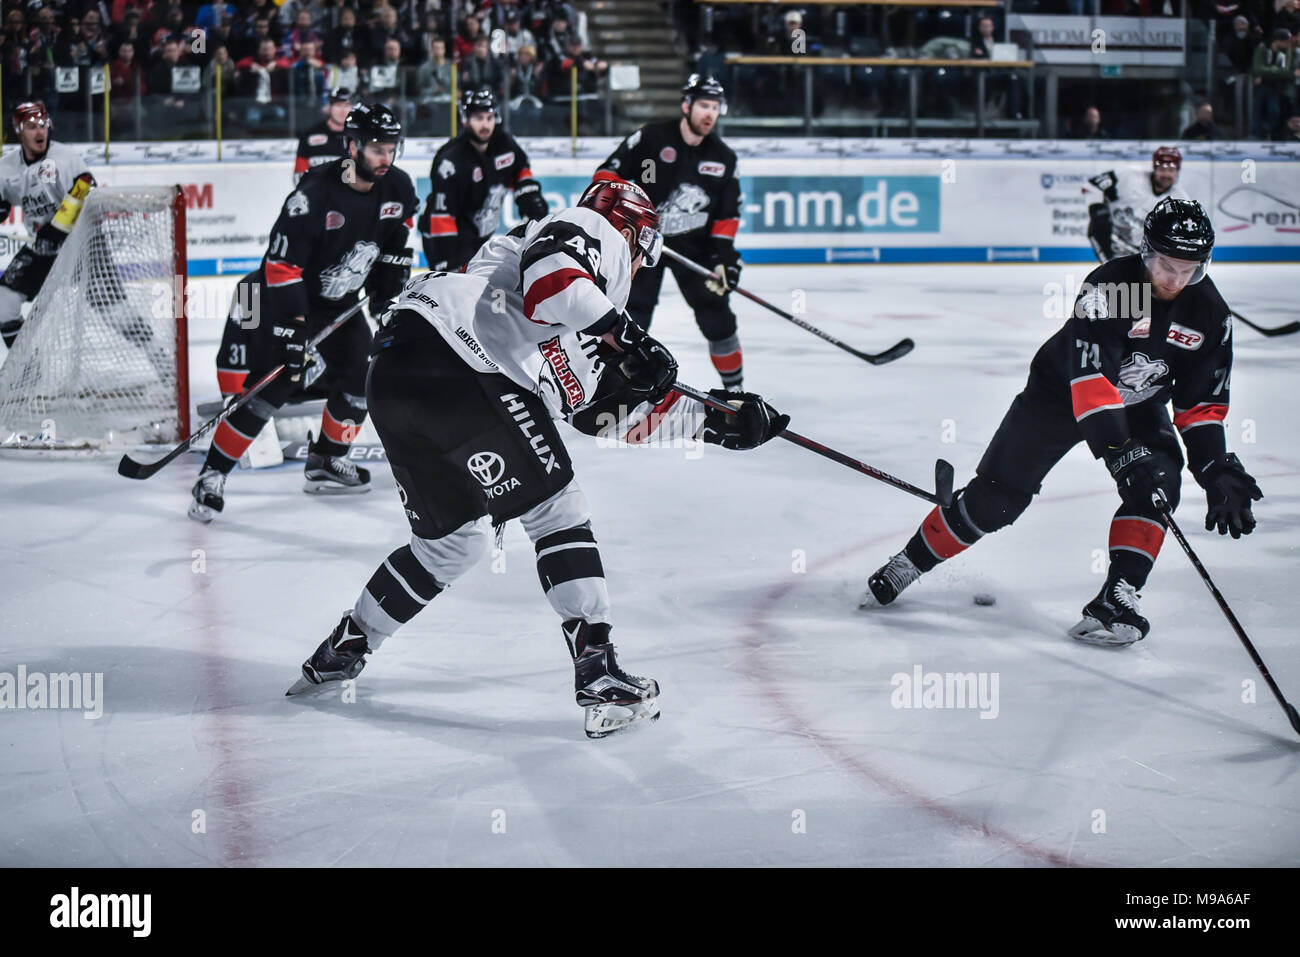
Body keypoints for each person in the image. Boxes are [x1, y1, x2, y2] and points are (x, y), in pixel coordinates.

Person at [285, 178, 789, 739]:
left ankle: (345, 647)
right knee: (555, 509)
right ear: (635, 231)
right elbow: (554, 278)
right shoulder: (592, 230)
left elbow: (600, 411)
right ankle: (597, 672)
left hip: (400, 374)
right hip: (462, 360)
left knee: (451, 544)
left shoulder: (554, 305)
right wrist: (626, 334)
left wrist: (716, 424)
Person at [863, 199, 1262, 648]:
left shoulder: (1210, 314)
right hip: (1060, 393)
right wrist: (1120, 454)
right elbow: (1092, 385)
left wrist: (1213, 467)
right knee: (997, 500)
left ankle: (1117, 596)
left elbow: (1200, 405)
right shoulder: (1114, 287)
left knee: (1158, 484)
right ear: (1146, 252)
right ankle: (910, 561)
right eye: (1166, 264)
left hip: (1137, 402)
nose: (1174, 279)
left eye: (1188, 268)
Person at [193, 103, 418, 521]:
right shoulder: (313, 196)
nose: (386, 158)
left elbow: (396, 235)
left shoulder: (398, 187)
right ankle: (212, 475)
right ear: (351, 146)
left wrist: (389, 280)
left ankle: (326, 462)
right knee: (273, 387)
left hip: (341, 304)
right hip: (287, 300)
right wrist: (291, 330)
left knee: (359, 377)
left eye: (391, 148)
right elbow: (280, 268)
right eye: (376, 149)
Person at [592, 74, 746, 391]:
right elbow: (605, 176)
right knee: (629, 317)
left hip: (694, 248)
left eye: (715, 107)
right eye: (704, 105)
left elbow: (726, 216)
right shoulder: (651, 138)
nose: (709, 114)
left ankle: (736, 393)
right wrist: (622, 216)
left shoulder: (724, 158)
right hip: (643, 244)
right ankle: (607, 387)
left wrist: (725, 258)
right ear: (686, 105)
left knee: (717, 315)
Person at [419, 88, 548, 272]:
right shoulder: (451, 160)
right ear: (466, 119)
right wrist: (447, 260)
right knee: (456, 289)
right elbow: (442, 216)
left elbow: (521, 171)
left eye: (489, 118)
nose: (485, 125)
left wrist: (531, 202)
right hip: (446, 237)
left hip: (477, 234)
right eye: (479, 118)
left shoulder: (504, 143)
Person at [0, 102, 94, 350]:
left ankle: (157, 355)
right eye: (31, 127)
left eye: (43, 125)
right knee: (3, 305)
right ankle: (30, 374)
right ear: (18, 130)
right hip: (41, 248)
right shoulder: (6, 168)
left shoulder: (65, 157)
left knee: (115, 310)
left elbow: (85, 186)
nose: (40, 132)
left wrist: (58, 227)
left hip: (84, 245)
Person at [1087, 146, 1189, 262]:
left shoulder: (1180, 200)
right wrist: (1098, 211)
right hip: (1111, 240)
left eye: (1171, 170)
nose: (1166, 175)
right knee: (1099, 224)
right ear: (1154, 169)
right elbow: (1092, 186)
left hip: (1143, 251)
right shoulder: (1129, 176)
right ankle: (1108, 266)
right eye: (1162, 169)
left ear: (1177, 172)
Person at [293, 85, 353, 182]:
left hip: (345, 195)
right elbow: (299, 174)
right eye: (338, 105)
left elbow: (357, 180)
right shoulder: (309, 136)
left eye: (346, 105)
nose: (343, 110)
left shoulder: (357, 138)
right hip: (314, 194)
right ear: (329, 107)